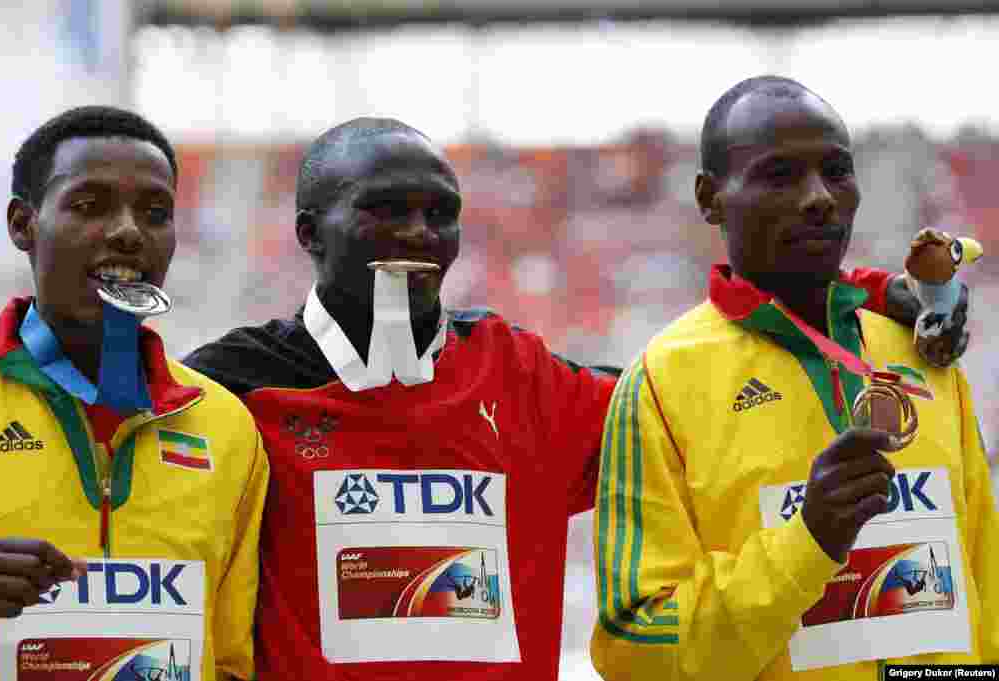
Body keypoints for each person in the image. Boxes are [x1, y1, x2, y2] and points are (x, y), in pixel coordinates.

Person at [182, 116, 963, 680]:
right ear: (310, 232)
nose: (419, 232)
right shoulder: (231, 390)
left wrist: (849, 293)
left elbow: (712, 390)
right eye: (387, 210)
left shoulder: (522, 377)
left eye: (440, 213)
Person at [591, 76, 998, 681]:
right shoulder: (659, 381)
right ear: (710, 198)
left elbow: (983, 587)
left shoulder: (922, 352)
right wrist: (806, 541)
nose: (819, 198)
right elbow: (636, 648)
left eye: (837, 171)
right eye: (779, 175)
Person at [0, 106, 269, 680]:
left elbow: (233, 660)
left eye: (156, 213)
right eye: (90, 206)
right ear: (22, 224)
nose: (130, 231)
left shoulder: (228, 427)